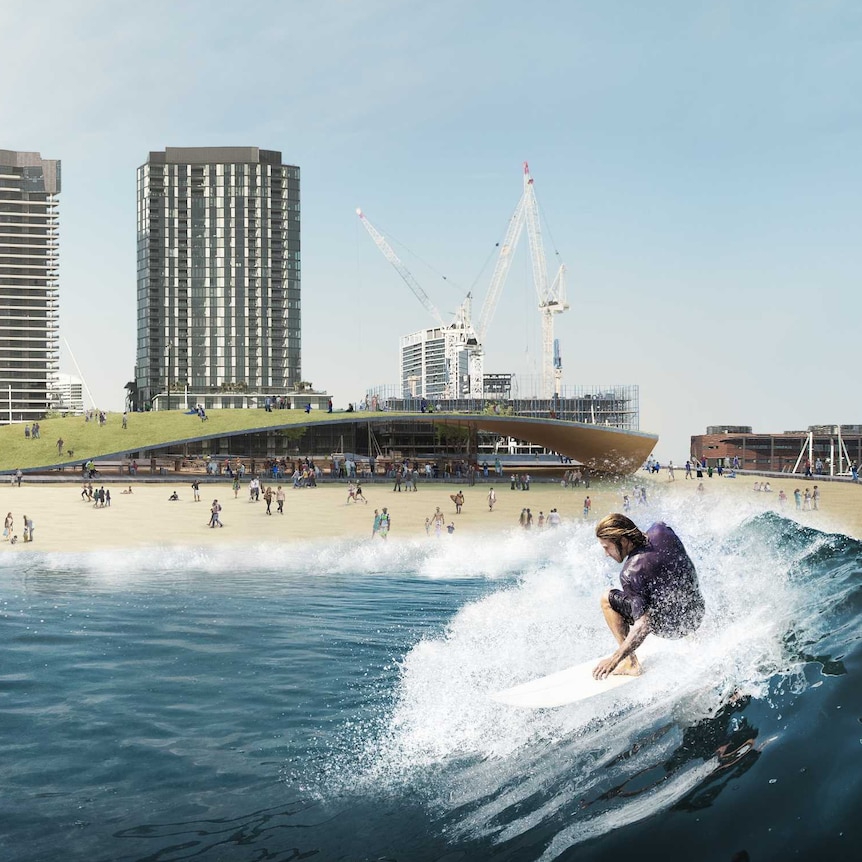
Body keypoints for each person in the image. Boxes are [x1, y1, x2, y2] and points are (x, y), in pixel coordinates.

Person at [592, 514, 705, 680]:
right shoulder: (661, 529)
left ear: (623, 541)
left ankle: (631, 664)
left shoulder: (631, 572)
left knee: (606, 599)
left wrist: (614, 659)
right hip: (696, 614)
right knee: (664, 583)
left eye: (606, 547)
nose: (606, 554)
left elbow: (643, 626)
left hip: (672, 627)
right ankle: (693, 637)